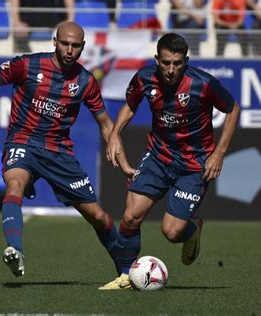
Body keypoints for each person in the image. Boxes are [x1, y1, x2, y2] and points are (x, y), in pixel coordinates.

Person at [0, 21, 129, 279]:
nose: (69, 50)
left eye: (75, 46)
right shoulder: (27, 65)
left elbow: (105, 123)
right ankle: (16, 250)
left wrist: (119, 153)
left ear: (83, 48)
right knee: (14, 185)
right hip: (23, 141)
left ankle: (125, 271)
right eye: (64, 44)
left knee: (97, 216)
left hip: (58, 152)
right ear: (54, 42)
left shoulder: (85, 81)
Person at [100, 33, 240, 289]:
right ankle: (124, 277)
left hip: (194, 164)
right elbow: (130, 105)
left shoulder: (203, 83)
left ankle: (192, 230)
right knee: (130, 217)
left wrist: (218, 153)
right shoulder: (144, 78)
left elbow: (232, 109)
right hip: (158, 156)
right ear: (157, 59)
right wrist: (115, 134)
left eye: (177, 63)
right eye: (166, 63)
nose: (171, 70)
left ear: (186, 60)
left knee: (172, 232)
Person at [10, 0, 75, 52]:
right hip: (27, 15)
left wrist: (70, 19)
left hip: (51, 15)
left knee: (65, 32)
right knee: (19, 32)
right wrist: (16, 22)